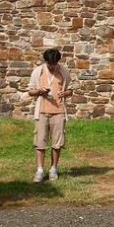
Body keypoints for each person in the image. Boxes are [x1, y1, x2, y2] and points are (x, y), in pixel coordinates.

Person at [28, 48, 73, 182]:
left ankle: (53, 169)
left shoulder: (63, 71)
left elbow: (71, 90)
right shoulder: (38, 71)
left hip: (59, 112)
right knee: (40, 142)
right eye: (50, 64)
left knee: (57, 143)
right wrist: (39, 91)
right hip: (41, 111)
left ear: (58, 61)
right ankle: (40, 170)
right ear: (46, 61)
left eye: (54, 64)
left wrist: (65, 93)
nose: (52, 66)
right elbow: (30, 91)